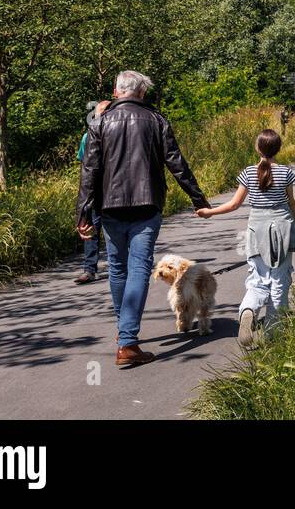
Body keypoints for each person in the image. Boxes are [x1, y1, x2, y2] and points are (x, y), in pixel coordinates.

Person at [76, 71, 211, 368]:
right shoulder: (157, 120)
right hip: (147, 205)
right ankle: (127, 341)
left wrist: (83, 213)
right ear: (142, 92)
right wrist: (198, 198)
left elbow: (89, 171)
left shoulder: (99, 123)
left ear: (116, 91)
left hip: (110, 208)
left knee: (117, 269)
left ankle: (124, 333)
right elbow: (176, 162)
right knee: (138, 268)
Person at [197, 129, 295, 349]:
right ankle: (273, 331)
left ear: (257, 148)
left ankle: (248, 309)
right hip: (282, 230)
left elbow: (234, 204)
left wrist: (209, 212)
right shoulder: (286, 172)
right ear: (279, 149)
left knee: (258, 278)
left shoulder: (248, 173)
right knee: (280, 281)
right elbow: (291, 203)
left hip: (257, 231)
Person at [73, 100, 111, 285]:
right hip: (95, 192)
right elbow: (84, 164)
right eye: (97, 114)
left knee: (114, 230)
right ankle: (89, 269)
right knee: (91, 228)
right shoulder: (86, 137)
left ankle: (119, 265)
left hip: (113, 191)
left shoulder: (118, 132)